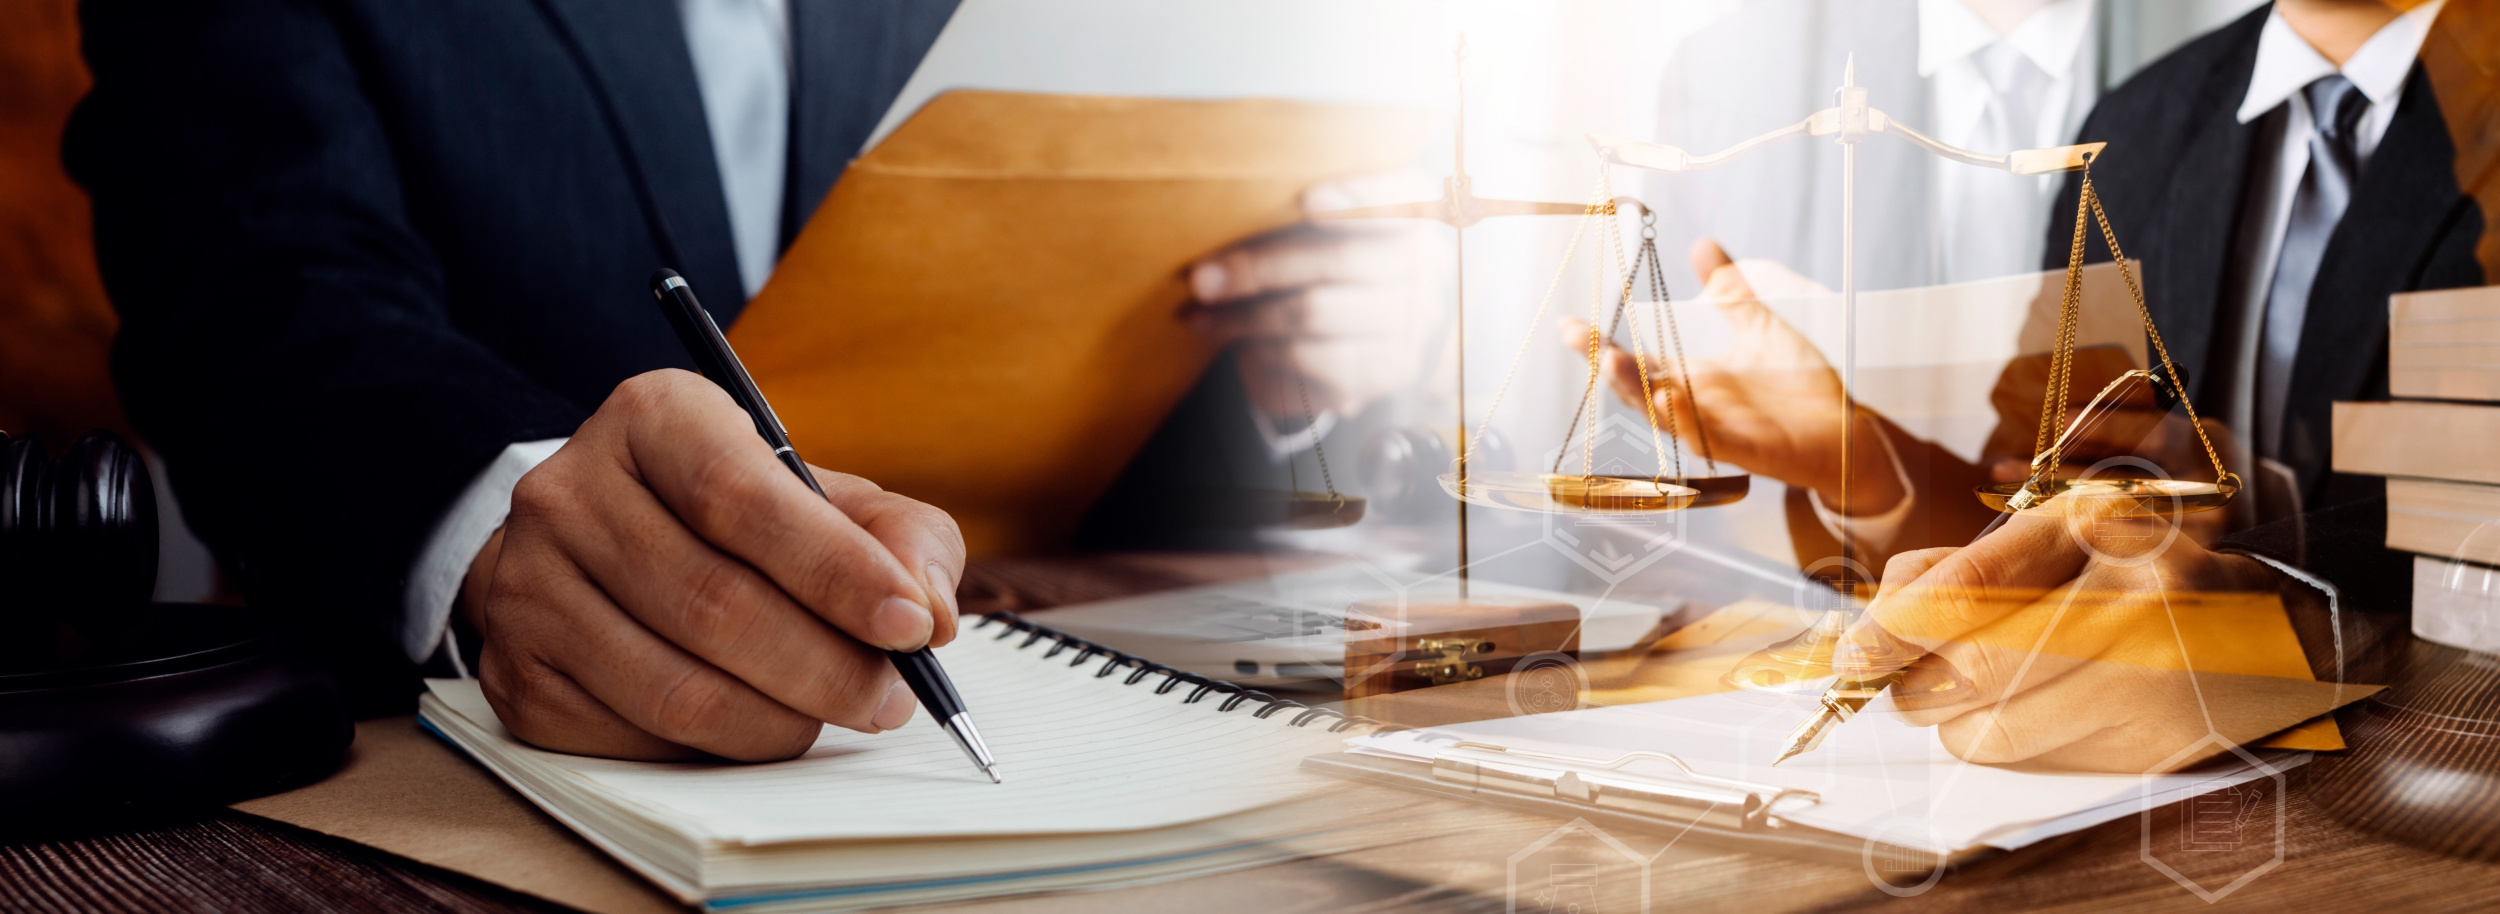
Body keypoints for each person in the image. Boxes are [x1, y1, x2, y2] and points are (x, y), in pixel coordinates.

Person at [67, 0, 1413, 761]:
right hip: (489, 760)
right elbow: (251, 292)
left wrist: (1280, 389)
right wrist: (498, 521)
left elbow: (1055, 375)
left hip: (1059, 724)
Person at [1592, 0, 2487, 769]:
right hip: (2161, 805)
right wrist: (1868, 463)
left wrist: (2286, 608)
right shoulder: (2137, 126)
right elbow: (2041, 505)